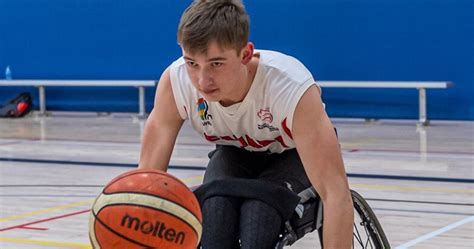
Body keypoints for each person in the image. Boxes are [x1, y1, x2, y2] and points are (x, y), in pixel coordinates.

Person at [139, 0, 354, 248]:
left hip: (294, 156)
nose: (202, 80)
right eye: (192, 63)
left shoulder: (290, 88)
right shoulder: (175, 83)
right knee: (213, 214)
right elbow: (147, 184)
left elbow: (336, 195)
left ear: (246, 54)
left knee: (259, 215)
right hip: (235, 154)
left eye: (216, 64)